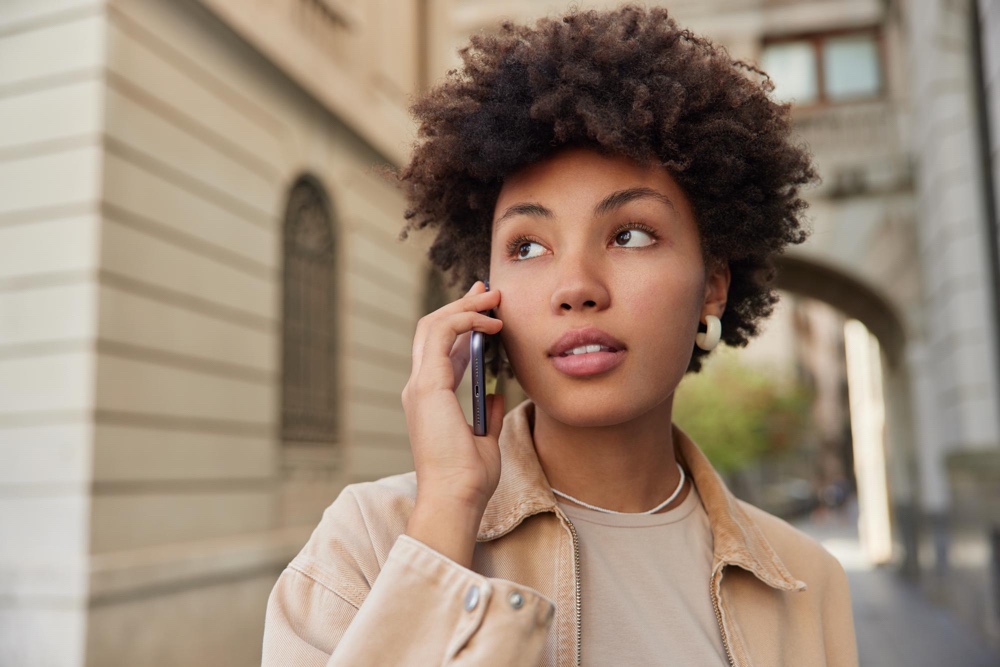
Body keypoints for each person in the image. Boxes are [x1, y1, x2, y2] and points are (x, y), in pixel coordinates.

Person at [262, 6, 859, 666]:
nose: (575, 286)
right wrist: (447, 514)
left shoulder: (804, 582)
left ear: (712, 286)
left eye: (630, 234)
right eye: (526, 246)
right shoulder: (368, 541)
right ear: (481, 294)